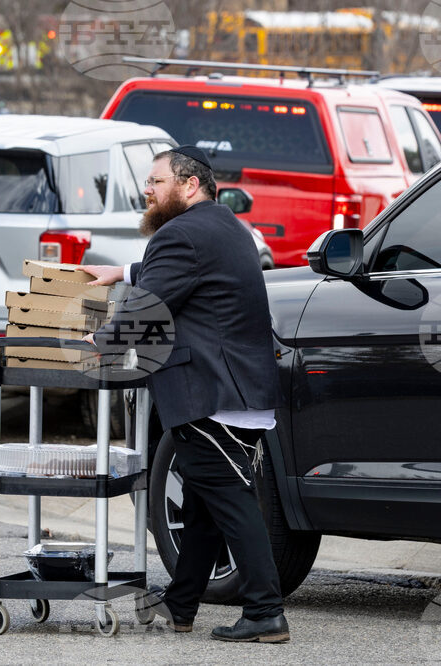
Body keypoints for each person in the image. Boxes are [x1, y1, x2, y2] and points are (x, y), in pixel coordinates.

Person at [79, 146, 288, 644]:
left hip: (209, 392)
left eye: (155, 182)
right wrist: (122, 272)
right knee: (201, 503)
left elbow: (148, 307)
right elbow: (183, 273)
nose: (147, 192)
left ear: (189, 185)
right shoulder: (226, 226)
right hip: (238, 389)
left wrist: (99, 342)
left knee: (229, 501)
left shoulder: (180, 234)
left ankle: (265, 612)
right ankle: (182, 604)